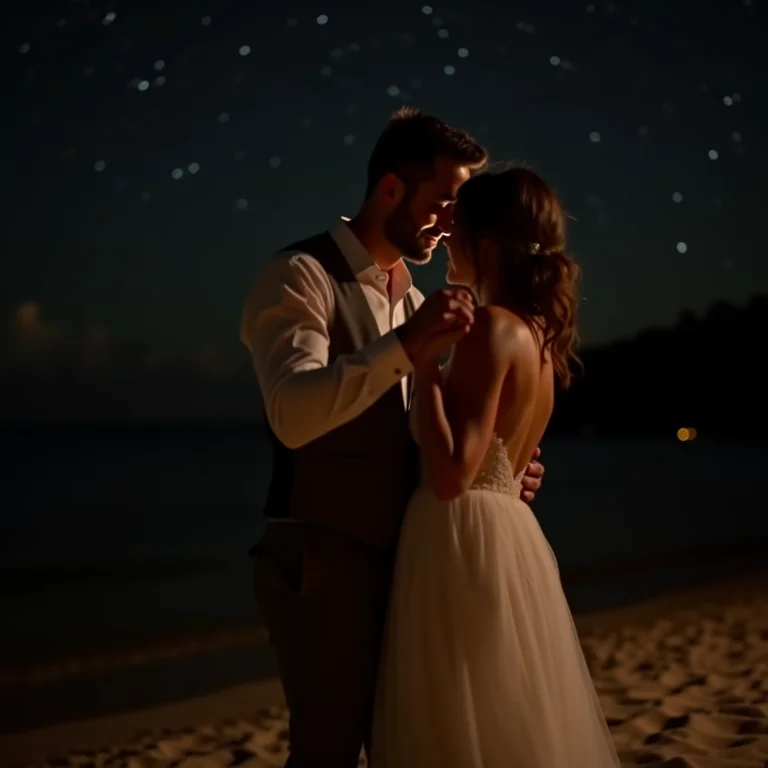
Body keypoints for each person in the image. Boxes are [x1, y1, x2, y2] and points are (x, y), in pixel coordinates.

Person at [239, 108, 546, 767]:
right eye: (442, 202)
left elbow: (420, 434)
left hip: (410, 562)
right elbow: (291, 414)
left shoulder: (416, 301)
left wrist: (496, 472)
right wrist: (406, 347)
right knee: (327, 749)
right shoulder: (300, 275)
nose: (451, 222)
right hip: (324, 556)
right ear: (388, 190)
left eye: (460, 208)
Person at [371, 166, 621, 767]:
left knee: (458, 724)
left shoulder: (489, 327)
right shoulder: (541, 339)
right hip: (510, 537)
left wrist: (424, 361)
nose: (445, 238)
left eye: (455, 228)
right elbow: (504, 461)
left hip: (460, 541)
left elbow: (455, 475)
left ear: (482, 244)